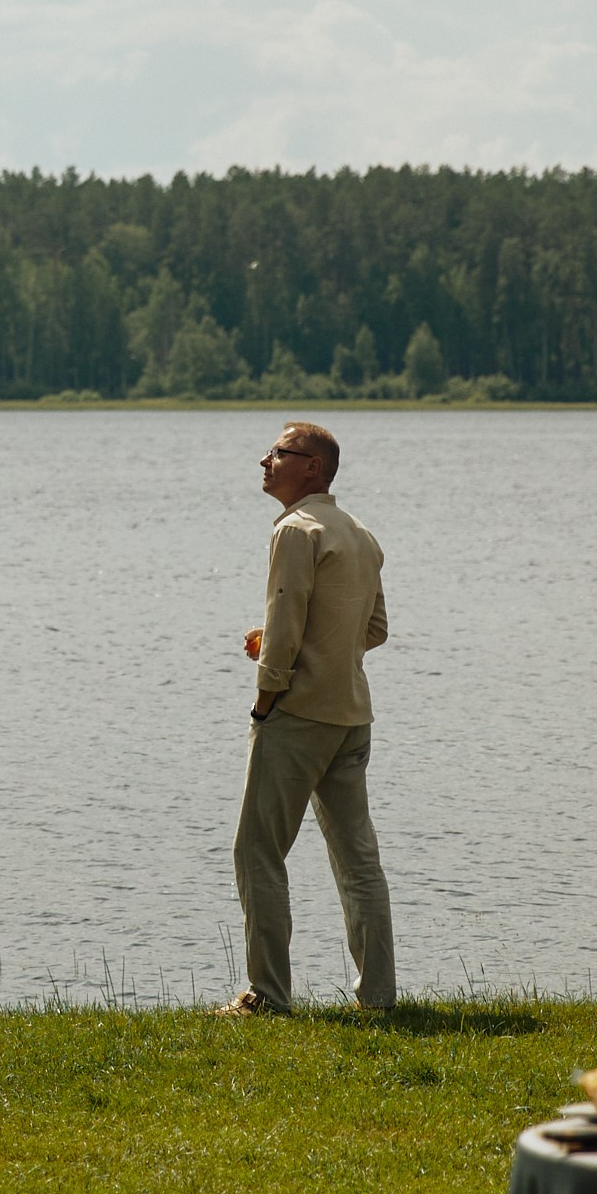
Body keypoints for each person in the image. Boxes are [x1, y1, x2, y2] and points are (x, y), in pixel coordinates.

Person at [220, 419, 395, 1016]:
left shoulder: (297, 531)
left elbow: (290, 621)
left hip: (297, 717)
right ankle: (378, 998)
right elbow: (372, 629)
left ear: (312, 467)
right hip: (351, 715)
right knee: (358, 861)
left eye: (279, 452)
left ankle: (266, 997)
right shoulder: (361, 534)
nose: (265, 461)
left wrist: (266, 697)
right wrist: (289, 642)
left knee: (257, 852)